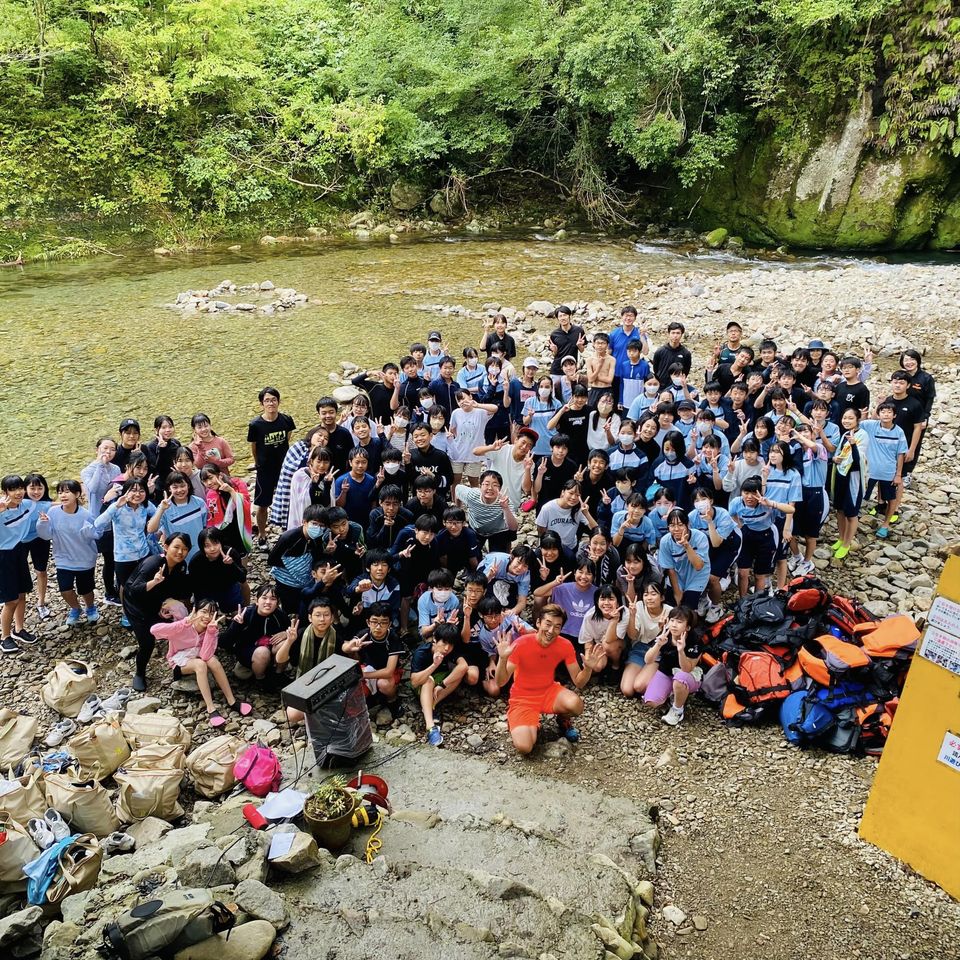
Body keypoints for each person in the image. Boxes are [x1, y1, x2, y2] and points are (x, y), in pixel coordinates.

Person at [495, 604, 604, 755]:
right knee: (525, 747)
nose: (551, 631)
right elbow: (500, 682)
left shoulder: (565, 645)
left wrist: (588, 668)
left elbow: (579, 682)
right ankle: (529, 724)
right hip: (523, 698)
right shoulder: (521, 643)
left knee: (576, 705)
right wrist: (502, 659)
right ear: (538, 623)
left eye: (557, 626)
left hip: (548, 690)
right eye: (548, 624)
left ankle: (562, 720)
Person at [151, 601, 251, 726]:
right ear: (196, 611)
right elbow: (154, 630)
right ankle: (211, 708)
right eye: (203, 611)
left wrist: (210, 632)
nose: (207, 617)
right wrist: (183, 623)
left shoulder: (211, 628)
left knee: (213, 661)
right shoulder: (183, 625)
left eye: (211, 613)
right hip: (178, 662)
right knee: (200, 665)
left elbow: (205, 655)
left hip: (198, 655)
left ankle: (232, 701)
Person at [122, 533, 193, 691]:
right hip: (136, 605)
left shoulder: (180, 566)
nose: (180, 552)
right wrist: (154, 582)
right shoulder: (153, 563)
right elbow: (134, 590)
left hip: (156, 602)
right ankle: (139, 673)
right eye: (176, 547)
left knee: (179, 629)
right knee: (147, 642)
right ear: (166, 547)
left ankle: (179, 667)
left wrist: (168, 605)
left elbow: (178, 589)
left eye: (185, 549)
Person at [35, 479, 100, 627]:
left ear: (77, 494)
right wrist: (43, 523)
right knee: (65, 589)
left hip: (84, 558)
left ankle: (90, 608)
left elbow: (97, 534)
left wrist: (89, 533)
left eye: (67, 491)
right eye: (60, 492)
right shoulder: (53, 512)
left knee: (86, 589)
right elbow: (46, 535)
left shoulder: (86, 514)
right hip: (63, 558)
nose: (63, 495)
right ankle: (75, 608)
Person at [93, 478, 157, 626]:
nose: (138, 494)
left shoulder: (145, 506)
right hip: (123, 555)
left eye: (141, 490)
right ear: (126, 492)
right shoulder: (118, 508)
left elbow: (159, 515)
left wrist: (159, 532)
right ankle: (126, 613)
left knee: (145, 583)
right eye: (133, 490)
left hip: (143, 552)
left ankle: (144, 609)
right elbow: (98, 523)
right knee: (125, 586)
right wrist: (115, 505)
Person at [247, 386, 296, 545]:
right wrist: (258, 463)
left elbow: (288, 437)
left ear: (278, 401)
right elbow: (254, 446)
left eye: (273, 400)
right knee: (263, 504)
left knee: (289, 500)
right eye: (267, 400)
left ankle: (290, 529)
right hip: (265, 469)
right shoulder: (255, 424)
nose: (271, 403)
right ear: (262, 403)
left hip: (284, 467)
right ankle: (262, 533)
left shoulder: (286, 420)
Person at [280, 597, 342, 725]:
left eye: (326, 615)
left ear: (332, 617)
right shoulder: (301, 634)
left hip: (328, 685)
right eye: (317, 615)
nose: (322, 619)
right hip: (305, 683)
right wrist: (289, 641)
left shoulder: (338, 636)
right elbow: (280, 659)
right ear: (310, 618)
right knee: (292, 714)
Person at [221, 584, 293, 686]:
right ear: (257, 600)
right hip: (250, 651)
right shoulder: (246, 614)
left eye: (273, 599)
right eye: (264, 598)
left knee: (286, 642)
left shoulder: (279, 615)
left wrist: (286, 633)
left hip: (272, 649)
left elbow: (291, 629)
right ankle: (261, 679)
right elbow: (224, 642)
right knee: (261, 654)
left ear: (277, 603)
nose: (268, 602)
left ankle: (278, 673)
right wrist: (236, 625)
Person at [411, 621, 470, 746]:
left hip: (439, 684)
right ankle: (431, 726)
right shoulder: (422, 652)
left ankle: (431, 706)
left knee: (457, 674)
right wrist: (434, 665)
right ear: (435, 640)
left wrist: (442, 684)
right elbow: (415, 681)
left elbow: (463, 666)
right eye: (444, 643)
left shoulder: (450, 651)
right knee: (428, 680)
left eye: (450, 644)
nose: (447, 648)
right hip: (423, 685)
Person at [642, 606, 703, 726]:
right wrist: (658, 645)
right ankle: (673, 696)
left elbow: (687, 669)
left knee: (680, 679)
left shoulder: (694, 640)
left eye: (679, 622)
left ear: (688, 627)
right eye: (672, 620)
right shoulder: (666, 634)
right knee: (651, 702)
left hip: (688, 675)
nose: (674, 625)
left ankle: (677, 710)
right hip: (667, 672)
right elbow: (648, 660)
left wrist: (681, 651)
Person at [688, 486, 740, 622]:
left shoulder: (723, 514)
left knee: (712, 578)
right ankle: (704, 599)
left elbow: (717, 542)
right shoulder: (692, 517)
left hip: (728, 545)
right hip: (707, 546)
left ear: (710, 500)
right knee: (700, 572)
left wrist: (710, 522)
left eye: (703, 498)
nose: (700, 502)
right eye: (696, 500)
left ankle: (716, 606)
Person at [0, 476, 39, 654]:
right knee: (11, 599)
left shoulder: (27, 505)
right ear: (5, 493)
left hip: (19, 551)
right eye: (13, 489)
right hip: (3, 555)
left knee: (22, 594)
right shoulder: (1, 510)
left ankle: (19, 629)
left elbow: (46, 504)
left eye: (20, 488)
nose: (18, 492)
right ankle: (4, 637)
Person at [861, 402, 908, 540]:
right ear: (878, 414)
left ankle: (886, 524)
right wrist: (864, 414)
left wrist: (898, 474)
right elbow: (859, 425)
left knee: (891, 499)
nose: (886, 414)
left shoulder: (899, 432)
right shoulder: (871, 425)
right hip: (869, 471)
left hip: (888, 471)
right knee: (862, 496)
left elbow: (901, 454)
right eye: (883, 412)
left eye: (889, 412)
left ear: (894, 415)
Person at [830, 408, 870, 560]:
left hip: (853, 477)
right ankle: (841, 538)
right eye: (844, 417)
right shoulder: (845, 434)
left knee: (851, 512)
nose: (846, 420)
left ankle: (847, 543)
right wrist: (835, 459)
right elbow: (839, 454)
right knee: (839, 509)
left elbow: (859, 459)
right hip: (841, 474)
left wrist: (853, 445)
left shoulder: (862, 435)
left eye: (850, 418)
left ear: (858, 419)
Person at [728, 476, 778, 596]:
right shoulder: (736, 502)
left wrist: (771, 504)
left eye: (753, 493)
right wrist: (739, 525)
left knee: (759, 575)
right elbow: (732, 516)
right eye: (746, 492)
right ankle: (743, 601)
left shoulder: (766, 503)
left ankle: (757, 602)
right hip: (747, 535)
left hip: (766, 536)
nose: (749, 497)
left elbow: (788, 510)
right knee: (742, 573)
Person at [622, 582, 672, 698]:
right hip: (640, 649)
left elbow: (672, 641)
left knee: (639, 686)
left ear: (662, 597)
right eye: (646, 594)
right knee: (627, 690)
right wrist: (632, 616)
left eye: (653, 594)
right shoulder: (638, 606)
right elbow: (632, 636)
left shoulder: (670, 612)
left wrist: (663, 629)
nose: (649, 598)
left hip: (658, 652)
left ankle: (664, 683)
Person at [147, 471, 208, 562]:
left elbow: (204, 525)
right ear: (169, 489)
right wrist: (161, 509)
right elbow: (151, 529)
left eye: (182, 486)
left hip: (199, 553)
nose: (179, 490)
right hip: (178, 556)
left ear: (188, 486)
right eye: (175, 487)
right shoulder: (165, 507)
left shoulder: (199, 503)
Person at [474, 429, 537, 511]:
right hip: (491, 498)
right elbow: (475, 451)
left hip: (511, 503)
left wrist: (527, 469)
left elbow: (526, 489)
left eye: (529, 445)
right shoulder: (502, 449)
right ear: (516, 440)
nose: (524, 447)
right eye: (523, 442)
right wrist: (491, 447)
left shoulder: (529, 462)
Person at [658, 508, 709, 609]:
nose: (676, 529)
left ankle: (703, 599)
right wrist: (677, 593)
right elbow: (670, 569)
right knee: (671, 605)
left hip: (697, 575)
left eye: (680, 525)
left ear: (688, 524)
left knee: (688, 609)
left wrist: (686, 545)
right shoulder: (665, 541)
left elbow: (698, 566)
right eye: (672, 525)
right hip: (678, 574)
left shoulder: (700, 537)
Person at [453, 473, 516, 554]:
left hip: (498, 531)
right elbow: (457, 489)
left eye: (495, 485)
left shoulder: (505, 502)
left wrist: (505, 508)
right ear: (480, 486)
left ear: (500, 488)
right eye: (486, 484)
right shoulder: (471, 495)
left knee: (498, 558)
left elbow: (513, 527)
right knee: (470, 556)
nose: (490, 488)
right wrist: (459, 514)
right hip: (476, 529)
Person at [898, 349, 936, 484]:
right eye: (906, 360)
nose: (909, 363)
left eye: (912, 359)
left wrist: (925, 417)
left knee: (914, 444)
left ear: (917, 361)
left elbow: (930, 399)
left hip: (918, 416)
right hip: (901, 413)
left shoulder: (926, 378)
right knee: (898, 441)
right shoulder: (901, 377)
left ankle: (907, 473)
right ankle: (896, 470)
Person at [200, 463, 253, 557]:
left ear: (219, 475)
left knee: (242, 551)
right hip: (224, 529)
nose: (208, 483)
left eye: (210, 477)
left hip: (239, 524)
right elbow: (212, 516)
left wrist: (231, 491)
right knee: (228, 553)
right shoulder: (210, 494)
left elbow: (246, 505)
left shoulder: (237, 483)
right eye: (204, 480)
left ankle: (244, 570)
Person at [448, 390, 497, 487]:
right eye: (459, 400)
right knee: (455, 480)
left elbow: (495, 408)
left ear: (470, 396)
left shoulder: (481, 412)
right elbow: (452, 429)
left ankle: (474, 501)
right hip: (458, 451)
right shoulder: (456, 413)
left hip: (475, 452)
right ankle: (455, 502)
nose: (462, 402)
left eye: (463, 398)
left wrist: (477, 405)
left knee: (474, 480)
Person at [189, 529, 247, 610]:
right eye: (207, 545)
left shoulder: (230, 553)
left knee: (237, 613)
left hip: (228, 587)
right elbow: (194, 586)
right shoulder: (196, 560)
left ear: (221, 542)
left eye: (215, 543)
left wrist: (231, 564)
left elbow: (242, 577)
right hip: (205, 591)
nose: (212, 549)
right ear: (202, 547)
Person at [578, 584, 630, 674]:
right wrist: (588, 660)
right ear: (597, 602)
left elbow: (610, 639)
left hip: (618, 645)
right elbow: (588, 641)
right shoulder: (589, 616)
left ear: (618, 603)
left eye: (611, 599)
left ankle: (616, 667)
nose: (606, 603)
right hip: (600, 644)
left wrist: (614, 620)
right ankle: (602, 671)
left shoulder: (624, 613)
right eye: (602, 599)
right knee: (596, 667)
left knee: (608, 645)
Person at [535, 480, 599, 552]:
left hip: (571, 547)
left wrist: (586, 513)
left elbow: (596, 530)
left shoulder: (579, 510)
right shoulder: (548, 508)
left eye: (578, 495)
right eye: (571, 493)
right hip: (552, 547)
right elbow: (541, 529)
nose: (574, 497)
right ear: (563, 492)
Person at [22, 473, 51, 619]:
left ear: (45, 489)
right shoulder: (19, 503)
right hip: (19, 541)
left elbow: (58, 505)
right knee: (19, 572)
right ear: (24, 489)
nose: (36, 492)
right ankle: (16, 600)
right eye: (32, 488)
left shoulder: (46, 505)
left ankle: (41, 602)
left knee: (41, 571)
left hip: (39, 539)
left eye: (40, 488)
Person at [288, 446, 335, 529]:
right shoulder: (300, 476)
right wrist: (314, 484)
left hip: (322, 522)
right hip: (304, 520)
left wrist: (327, 485)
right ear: (311, 461)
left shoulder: (329, 478)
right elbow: (300, 502)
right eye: (319, 461)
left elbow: (327, 503)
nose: (322, 465)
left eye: (326, 462)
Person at [143, 415, 182, 498]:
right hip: (160, 485)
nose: (168, 430)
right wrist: (162, 449)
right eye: (163, 427)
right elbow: (155, 468)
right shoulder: (151, 447)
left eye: (170, 427)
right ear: (157, 430)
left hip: (176, 480)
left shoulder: (176, 443)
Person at [548, 306, 586, 375]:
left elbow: (582, 350)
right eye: (560, 316)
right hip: (557, 370)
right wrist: (555, 351)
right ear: (557, 318)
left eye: (565, 315)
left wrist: (579, 346)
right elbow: (554, 354)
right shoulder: (554, 334)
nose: (563, 318)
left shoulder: (579, 331)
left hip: (571, 369)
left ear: (569, 316)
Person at [585, 333, 616, 407]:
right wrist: (599, 367)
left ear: (607, 345)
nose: (600, 346)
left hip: (607, 389)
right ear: (593, 344)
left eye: (603, 343)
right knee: (592, 413)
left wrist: (594, 376)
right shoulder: (589, 360)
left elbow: (609, 380)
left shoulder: (611, 360)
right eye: (598, 343)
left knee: (607, 412)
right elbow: (590, 380)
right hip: (594, 390)